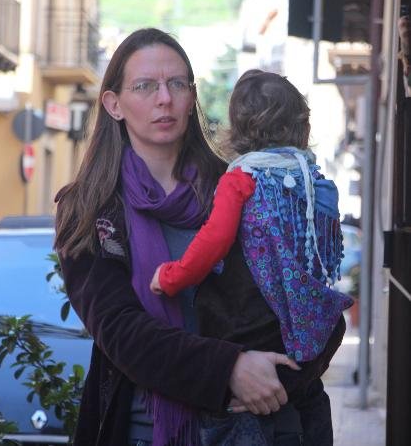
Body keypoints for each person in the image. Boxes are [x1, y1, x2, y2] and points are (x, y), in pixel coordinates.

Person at [54, 29, 301, 446]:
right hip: (141, 433)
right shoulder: (89, 209)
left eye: (177, 84)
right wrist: (228, 369)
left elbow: (303, 298)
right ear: (114, 104)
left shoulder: (243, 187)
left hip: (251, 427)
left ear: (192, 97)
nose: (164, 99)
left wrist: (278, 377)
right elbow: (120, 330)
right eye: (145, 86)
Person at [150, 70, 354, 444]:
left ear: (238, 129)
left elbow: (213, 241)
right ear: (302, 127)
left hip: (246, 331)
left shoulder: (241, 178)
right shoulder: (316, 183)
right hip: (302, 340)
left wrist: (171, 277)